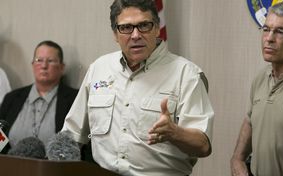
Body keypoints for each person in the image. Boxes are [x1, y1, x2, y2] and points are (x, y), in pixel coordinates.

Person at [61, 0, 214, 175]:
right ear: (115, 34)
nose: (135, 35)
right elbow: (71, 134)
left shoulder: (187, 74)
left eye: (144, 25)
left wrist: (174, 133)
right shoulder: (99, 68)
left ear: (157, 28)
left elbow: (203, 146)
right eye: (126, 28)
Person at [231, 2, 283, 176]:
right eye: (266, 29)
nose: (269, 38)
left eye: (280, 32)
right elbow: (251, 119)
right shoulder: (261, 78)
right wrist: (237, 159)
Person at [0, 40, 78, 154]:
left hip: (54, 169)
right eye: (39, 60)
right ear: (32, 65)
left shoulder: (74, 100)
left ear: (61, 67)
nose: (44, 66)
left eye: (50, 61)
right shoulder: (12, 98)